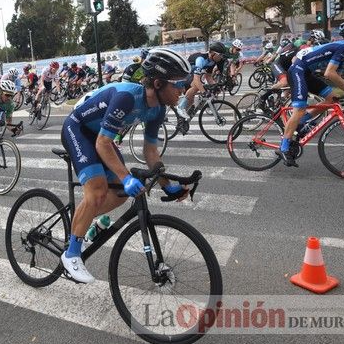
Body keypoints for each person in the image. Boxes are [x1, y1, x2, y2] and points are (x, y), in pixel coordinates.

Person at [59, 48, 192, 283]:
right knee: (98, 190)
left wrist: (167, 185)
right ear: (159, 83)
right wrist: (126, 177)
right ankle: (71, 254)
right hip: (78, 129)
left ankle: (83, 218)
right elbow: (102, 142)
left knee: (119, 196)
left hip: (101, 136)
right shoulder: (127, 97)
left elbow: (150, 151)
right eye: (178, 83)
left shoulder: (158, 109)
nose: (182, 89)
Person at [276, 19, 344, 167]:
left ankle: (300, 123)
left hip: (306, 72)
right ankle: (284, 147)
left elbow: (332, 76)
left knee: (332, 99)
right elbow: (330, 74)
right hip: (298, 71)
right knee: (299, 108)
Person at [176, 42, 226, 119]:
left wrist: (215, 86)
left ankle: (181, 121)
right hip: (184, 75)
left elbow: (208, 76)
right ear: (213, 53)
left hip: (191, 74)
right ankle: (180, 106)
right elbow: (196, 80)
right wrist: (204, 92)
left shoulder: (212, 62)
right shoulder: (201, 59)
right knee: (196, 86)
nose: (221, 57)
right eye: (220, 55)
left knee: (191, 102)